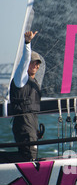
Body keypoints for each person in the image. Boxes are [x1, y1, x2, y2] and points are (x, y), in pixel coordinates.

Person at [8, 31, 42, 162]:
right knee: (29, 155)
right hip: (23, 121)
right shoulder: (20, 78)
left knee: (31, 153)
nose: (36, 65)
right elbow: (25, 59)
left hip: (32, 120)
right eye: (33, 62)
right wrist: (27, 43)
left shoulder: (34, 82)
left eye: (38, 63)